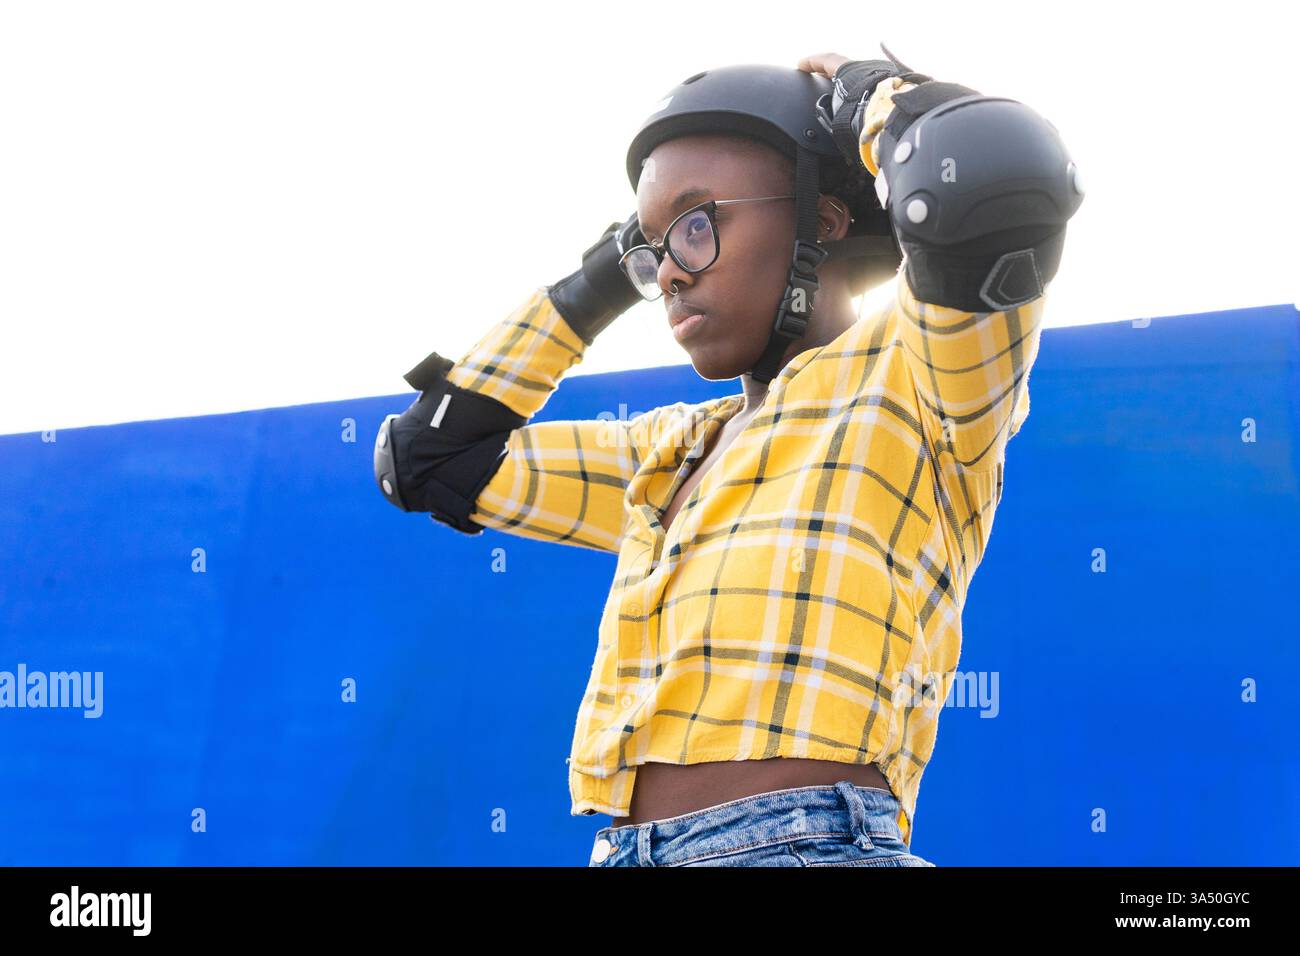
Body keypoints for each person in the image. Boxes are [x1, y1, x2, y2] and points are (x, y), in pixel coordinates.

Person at [374, 47, 1083, 867]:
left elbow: (991, 167)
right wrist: (601, 279)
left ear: (821, 222)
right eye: (651, 248)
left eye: (698, 223)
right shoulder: (670, 448)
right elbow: (432, 455)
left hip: (804, 844)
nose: (668, 273)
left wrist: (868, 96)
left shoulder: (913, 387)